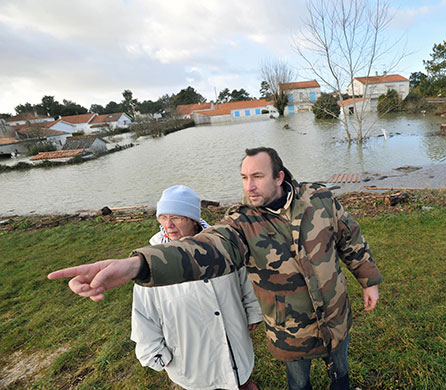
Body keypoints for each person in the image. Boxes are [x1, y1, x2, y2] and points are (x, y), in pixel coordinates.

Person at [48, 147, 382, 390]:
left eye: (257, 177)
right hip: (290, 332)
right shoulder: (241, 224)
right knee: (299, 383)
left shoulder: (320, 198)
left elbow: (349, 236)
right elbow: (206, 248)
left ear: (280, 177)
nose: (248, 186)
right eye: (244, 177)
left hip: (337, 316)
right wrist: (140, 264)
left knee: (341, 373)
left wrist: (368, 280)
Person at [132, 185, 263, 390]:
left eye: (176, 217)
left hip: (232, 336)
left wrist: (253, 311)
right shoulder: (153, 261)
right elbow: (143, 312)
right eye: (163, 217)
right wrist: (154, 351)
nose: (169, 225)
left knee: (238, 374)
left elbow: (244, 279)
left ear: (193, 219)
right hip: (188, 350)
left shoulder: (221, 247)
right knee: (201, 380)